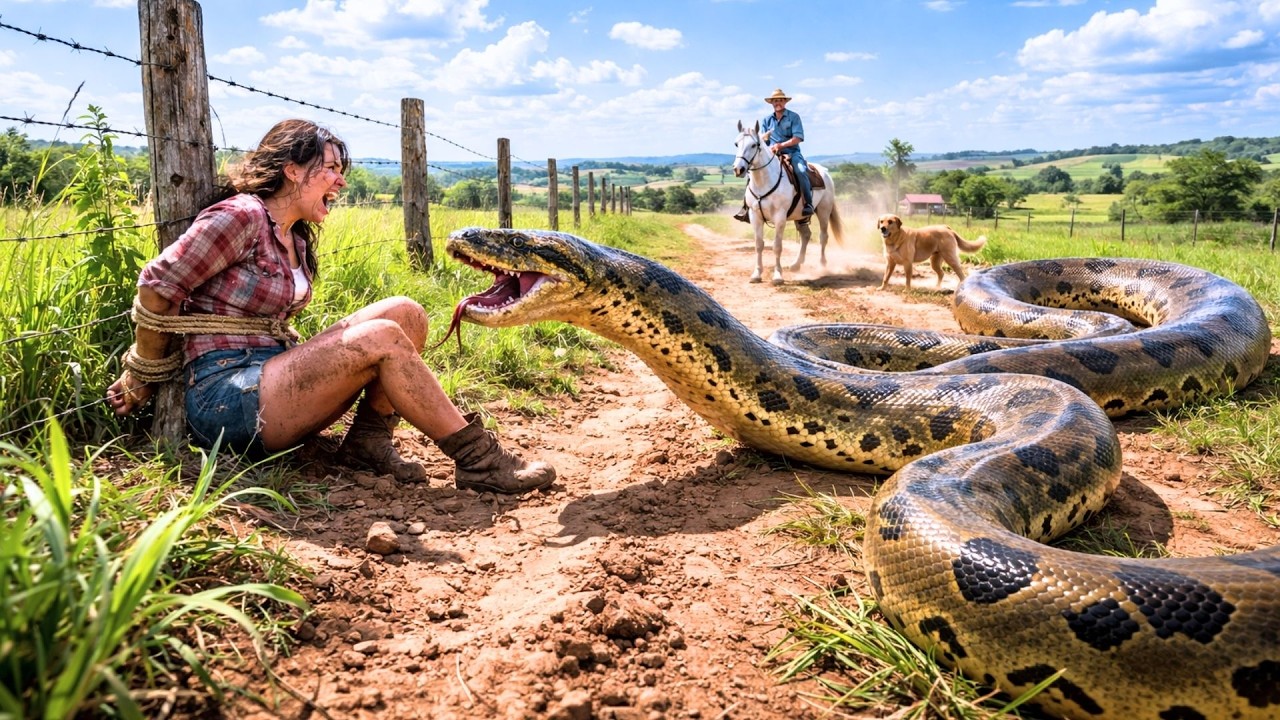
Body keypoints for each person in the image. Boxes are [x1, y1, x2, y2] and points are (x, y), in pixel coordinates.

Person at [106, 119, 555, 495]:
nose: (341, 181)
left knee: (406, 313)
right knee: (380, 338)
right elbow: (157, 286)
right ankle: (478, 459)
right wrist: (143, 372)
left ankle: (368, 444)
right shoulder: (241, 216)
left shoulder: (292, 235)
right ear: (293, 171)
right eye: (332, 169)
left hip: (269, 375)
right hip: (225, 397)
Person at [733, 88, 814, 222]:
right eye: (775, 101)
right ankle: (746, 208)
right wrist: (766, 142)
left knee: (800, 170)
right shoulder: (766, 120)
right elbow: (764, 140)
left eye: (780, 100)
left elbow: (797, 138)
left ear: (785, 102)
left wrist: (780, 146)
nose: (778, 103)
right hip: (772, 154)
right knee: (752, 174)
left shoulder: (794, 117)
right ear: (771, 103)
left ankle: (808, 204)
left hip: (792, 153)